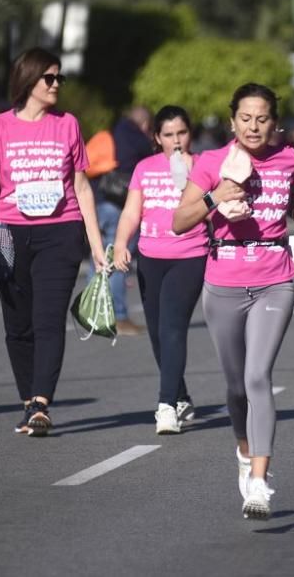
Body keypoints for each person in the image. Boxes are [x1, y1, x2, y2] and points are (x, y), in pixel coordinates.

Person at [172, 83, 294, 520]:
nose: (254, 126)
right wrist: (216, 197)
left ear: (275, 123)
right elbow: (180, 221)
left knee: (258, 377)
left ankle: (260, 480)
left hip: (276, 278)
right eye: (246, 118)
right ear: (233, 120)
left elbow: (286, 196)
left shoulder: (289, 157)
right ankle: (243, 448)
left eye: (263, 119)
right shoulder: (212, 163)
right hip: (223, 283)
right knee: (236, 388)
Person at [0, 47, 106, 437]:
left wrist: (95, 244)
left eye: (60, 77)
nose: (57, 84)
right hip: (9, 232)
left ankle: (42, 402)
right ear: (29, 81)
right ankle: (29, 398)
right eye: (50, 77)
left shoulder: (68, 125)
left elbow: (81, 185)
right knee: (17, 327)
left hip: (60, 233)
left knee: (47, 320)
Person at [113, 105, 206, 435]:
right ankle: (180, 395)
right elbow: (130, 212)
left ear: (190, 134)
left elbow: (216, 212)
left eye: (181, 133)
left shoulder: (203, 167)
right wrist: (121, 243)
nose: (176, 141)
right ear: (156, 137)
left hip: (190, 256)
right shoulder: (144, 168)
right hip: (150, 257)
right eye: (168, 135)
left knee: (172, 326)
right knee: (156, 333)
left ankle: (166, 405)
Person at [92, 106, 153, 335]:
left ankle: (94, 312)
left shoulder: (112, 132)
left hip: (99, 200)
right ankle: (118, 315)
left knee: (100, 257)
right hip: (120, 204)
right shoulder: (137, 139)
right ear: (146, 125)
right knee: (119, 259)